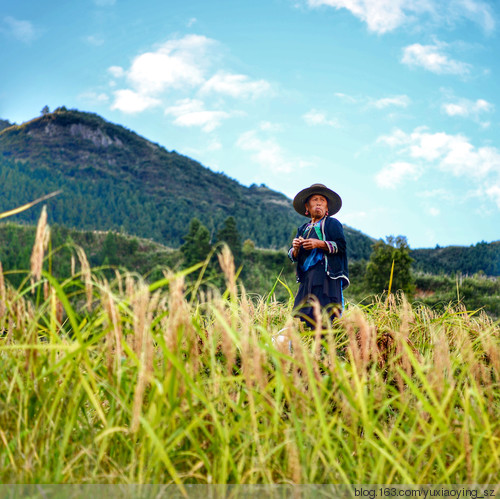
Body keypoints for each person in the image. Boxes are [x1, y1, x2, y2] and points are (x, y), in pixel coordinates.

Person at [288, 183, 349, 327]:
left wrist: (319, 244)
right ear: (307, 207)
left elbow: (341, 246)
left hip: (325, 276)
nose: (319, 203)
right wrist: (296, 248)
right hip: (308, 278)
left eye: (322, 200)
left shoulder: (332, 224)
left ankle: (324, 344)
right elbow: (292, 255)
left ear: (327, 208)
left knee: (324, 312)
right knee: (306, 314)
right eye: (315, 200)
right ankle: (312, 345)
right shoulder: (303, 229)